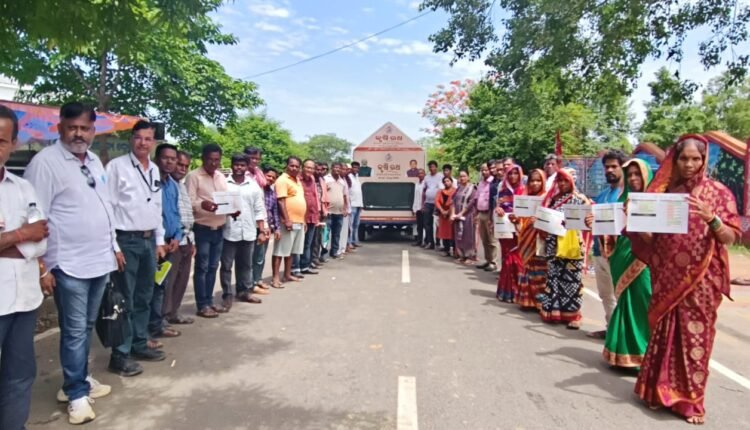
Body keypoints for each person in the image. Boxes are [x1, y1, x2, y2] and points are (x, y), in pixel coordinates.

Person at [627, 135, 740, 425]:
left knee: (694, 339)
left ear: (704, 160)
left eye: (695, 159)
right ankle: (656, 392)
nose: (689, 164)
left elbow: (729, 237)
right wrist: (636, 220)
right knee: (664, 334)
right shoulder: (666, 195)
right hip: (667, 278)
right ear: (675, 161)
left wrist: (712, 219)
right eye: (684, 159)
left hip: (701, 280)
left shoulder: (719, 193)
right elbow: (653, 241)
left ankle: (690, 401)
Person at [24, 102, 119, 423]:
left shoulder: (93, 160)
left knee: (86, 327)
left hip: (99, 260)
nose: (79, 134)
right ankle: (77, 394)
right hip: (68, 264)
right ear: (59, 128)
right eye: (72, 127)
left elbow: (105, 206)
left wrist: (114, 246)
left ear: (93, 130)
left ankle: (77, 380)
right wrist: (43, 267)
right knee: (75, 331)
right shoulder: (45, 163)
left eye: (85, 128)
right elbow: (35, 217)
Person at [0, 105, 50, 429]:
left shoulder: (23, 188)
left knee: (19, 375)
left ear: (13, 144)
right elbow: (30, 235)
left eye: (1, 141)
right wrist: (20, 235)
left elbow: (41, 239)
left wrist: (7, 243)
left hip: (25, 298)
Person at [107, 120, 167, 370]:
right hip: (126, 240)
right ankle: (120, 354)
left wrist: (159, 240)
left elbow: (157, 207)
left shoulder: (153, 169)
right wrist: (114, 246)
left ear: (154, 142)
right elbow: (108, 207)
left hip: (148, 240)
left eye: (148, 139)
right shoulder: (117, 167)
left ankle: (139, 343)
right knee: (125, 299)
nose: (143, 143)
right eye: (139, 138)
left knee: (144, 296)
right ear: (132, 139)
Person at [602, 158, 653, 368]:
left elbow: (657, 239)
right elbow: (612, 234)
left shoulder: (657, 202)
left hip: (644, 261)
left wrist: (636, 220)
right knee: (624, 303)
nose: (633, 178)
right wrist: (596, 225)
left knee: (643, 303)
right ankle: (621, 354)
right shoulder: (623, 201)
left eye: (637, 174)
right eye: (629, 174)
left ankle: (644, 356)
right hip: (621, 257)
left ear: (647, 176)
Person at [538, 168, 588, 329]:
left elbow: (588, 221)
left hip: (572, 245)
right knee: (554, 278)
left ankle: (574, 315)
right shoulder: (552, 200)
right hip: (553, 244)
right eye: (559, 180)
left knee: (572, 280)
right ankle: (554, 312)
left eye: (566, 180)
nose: (562, 183)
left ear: (572, 181)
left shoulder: (580, 199)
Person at [586, 149, 626, 339]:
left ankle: (622, 335)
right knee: (605, 295)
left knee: (620, 295)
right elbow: (595, 221)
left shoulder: (627, 195)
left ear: (623, 167)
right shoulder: (602, 196)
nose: (609, 170)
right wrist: (589, 221)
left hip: (618, 254)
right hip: (598, 251)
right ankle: (611, 329)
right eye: (607, 167)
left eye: (614, 166)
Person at [187, 144, 228, 318]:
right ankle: (202, 304)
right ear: (203, 158)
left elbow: (226, 200)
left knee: (213, 266)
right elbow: (188, 202)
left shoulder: (221, 177)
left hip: (219, 228)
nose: (213, 163)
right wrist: (201, 204)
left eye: (217, 160)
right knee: (202, 267)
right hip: (202, 228)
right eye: (210, 159)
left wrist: (232, 209)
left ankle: (209, 301)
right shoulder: (194, 176)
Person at [220, 154, 267, 308]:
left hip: (248, 231)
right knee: (226, 266)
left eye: (242, 165)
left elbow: (259, 209)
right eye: (236, 164)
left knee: (246, 265)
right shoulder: (224, 184)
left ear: (247, 167)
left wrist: (262, 230)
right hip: (228, 231)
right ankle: (227, 295)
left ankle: (244, 291)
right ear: (232, 165)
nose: (239, 168)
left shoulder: (253, 186)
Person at [148, 144, 182, 343]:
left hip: (170, 244)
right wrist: (158, 242)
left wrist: (177, 237)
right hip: (153, 244)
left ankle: (157, 325)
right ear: (156, 159)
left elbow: (175, 214)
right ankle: (143, 333)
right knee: (147, 289)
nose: (169, 162)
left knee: (160, 286)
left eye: (173, 158)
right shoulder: (150, 183)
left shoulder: (173, 185)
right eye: (165, 158)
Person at [162, 150, 195, 326]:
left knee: (182, 280)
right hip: (172, 241)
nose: (182, 169)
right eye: (179, 164)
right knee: (168, 280)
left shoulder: (181, 186)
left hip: (187, 238)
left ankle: (174, 312)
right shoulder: (165, 185)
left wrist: (192, 241)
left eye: (185, 166)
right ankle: (162, 317)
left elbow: (187, 214)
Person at [513, 169, 548, 310]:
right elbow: (520, 219)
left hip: (541, 238)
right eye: (532, 180)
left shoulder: (547, 199)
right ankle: (527, 301)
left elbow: (552, 218)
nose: (535, 183)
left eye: (538, 180)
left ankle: (540, 302)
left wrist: (539, 220)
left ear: (543, 182)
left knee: (540, 270)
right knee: (528, 268)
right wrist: (515, 219)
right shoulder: (525, 197)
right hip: (526, 236)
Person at [272, 157, 307, 285]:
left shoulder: (297, 180)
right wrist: (286, 220)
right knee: (280, 250)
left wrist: (303, 220)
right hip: (288, 221)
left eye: (297, 166)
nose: (294, 168)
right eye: (292, 165)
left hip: (299, 221)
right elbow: (281, 201)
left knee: (291, 250)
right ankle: (275, 278)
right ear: (286, 166)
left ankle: (287, 274)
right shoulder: (282, 180)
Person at [495, 165, 526, 303]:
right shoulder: (502, 191)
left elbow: (529, 211)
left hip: (520, 229)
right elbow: (498, 207)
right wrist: (498, 210)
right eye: (510, 173)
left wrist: (519, 219)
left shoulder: (525, 191)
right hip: (505, 229)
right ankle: (506, 291)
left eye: (516, 173)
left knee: (518, 260)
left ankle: (519, 291)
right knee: (507, 259)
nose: (513, 176)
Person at [254, 167, 281, 289]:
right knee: (252, 256)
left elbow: (275, 212)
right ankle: (251, 283)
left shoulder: (272, 193)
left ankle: (258, 280)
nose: (270, 179)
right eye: (268, 176)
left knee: (261, 257)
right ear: (263, 175)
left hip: (266, 228)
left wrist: (277, 228)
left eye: (273, 177)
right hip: (255, 227)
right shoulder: (256, 190)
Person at [298, 159, 321, 275]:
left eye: (312, 168)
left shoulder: (312, 180)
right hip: (300, 217)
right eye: (307, 167)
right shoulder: (297, 180)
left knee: (308, 243)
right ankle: (295, 268)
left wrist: (317, 215)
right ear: (302, 168)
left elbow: (314, 197)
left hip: (312, 216)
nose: (309, 170)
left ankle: (305, 266)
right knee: (298, 244)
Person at [451, 170, 477, 265]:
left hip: (468, 216)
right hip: (458, 216)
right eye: (461, 176)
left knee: (468, 236)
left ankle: (470, 256)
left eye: (464, 176)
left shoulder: (472, 188)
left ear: (468, 177)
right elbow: (453, 201)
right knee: (459, 236)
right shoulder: (458, 188)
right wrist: (453, 214)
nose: (462, 178)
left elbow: (471, 203)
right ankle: (462, 255)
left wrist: (461, 213)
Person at [475, 163, 498, 272]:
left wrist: (491, 216)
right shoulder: (481, 183)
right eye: (482, 170)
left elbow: (493, 200)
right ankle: (488, 260)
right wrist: (476, 214)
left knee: (492, 239)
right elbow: (477, 198)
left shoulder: (493, 183)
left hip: (489, 213)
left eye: (486, 170)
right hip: (481, 213)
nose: (484, 172)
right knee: (484, 239)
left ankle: (493, 262)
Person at [324, 163, 349, 260]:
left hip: (339, 212)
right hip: (328, 212)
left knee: (337, 233)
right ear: (331, 168)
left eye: (339, 168)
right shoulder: (326, 179)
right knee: (325, 234)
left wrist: (345, 208)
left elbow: (344, 196)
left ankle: (334, 252)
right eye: (335, 167)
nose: (337, 169)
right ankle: (323, 254)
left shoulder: (342, 181)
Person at [311, 162, 330, 266]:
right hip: (311, 213)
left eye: (321, 170)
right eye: (317, 169)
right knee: (311, 239)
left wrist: (324, 210)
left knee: (319, 237)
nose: (319, 171)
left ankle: (315, 258)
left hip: (321, 212)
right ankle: (309, 261)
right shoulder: (310, 181)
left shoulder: (322, 181)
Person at [434, 176, 457, 258]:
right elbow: (436, 201)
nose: (446, 183)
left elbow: (454, 202)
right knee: (444, 233)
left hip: (452, 214)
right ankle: (446, 250)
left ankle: (455, 251)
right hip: (442, 215)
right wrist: (442, 211)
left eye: (448, 181)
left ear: (451, 182)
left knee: (453, 233)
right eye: (444, 181)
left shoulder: (455, 191)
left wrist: (448, 211)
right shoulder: (440, 191)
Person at [422, 161, 441, 250]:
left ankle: (438, 241)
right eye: (430, 167)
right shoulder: (427, 177)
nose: (431, 168)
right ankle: (430, 242)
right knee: (427, 223)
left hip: (437, 203)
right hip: (428, 203)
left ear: (436, 167)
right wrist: (423, 204)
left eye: (433, 166)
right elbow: (424, 189)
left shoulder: (440, 176)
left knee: (437, 224)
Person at [347, 161, 363, 252]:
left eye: (357, 168)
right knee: (350, 225)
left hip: (358, 205)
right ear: (351, 168)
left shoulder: (357, 177)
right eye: (354, 167)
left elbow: (359, 192)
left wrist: (361, 204)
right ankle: (349, 243)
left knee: (356, 225)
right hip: (352, 204)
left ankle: (354, 241)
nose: (355, 169)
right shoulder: (349, 177)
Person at [412, 168, 426, 247]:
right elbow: (415, 196)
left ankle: (426, 242)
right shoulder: (417, 184)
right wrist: (414, 208)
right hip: (418, 208)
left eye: (422, 173)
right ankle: (419, 241)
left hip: (424, 208)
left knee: (426, 226)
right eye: (419, 173)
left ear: (424, 174)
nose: (420, 175)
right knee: (419, 226)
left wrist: (423, 206)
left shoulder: (426, 184)